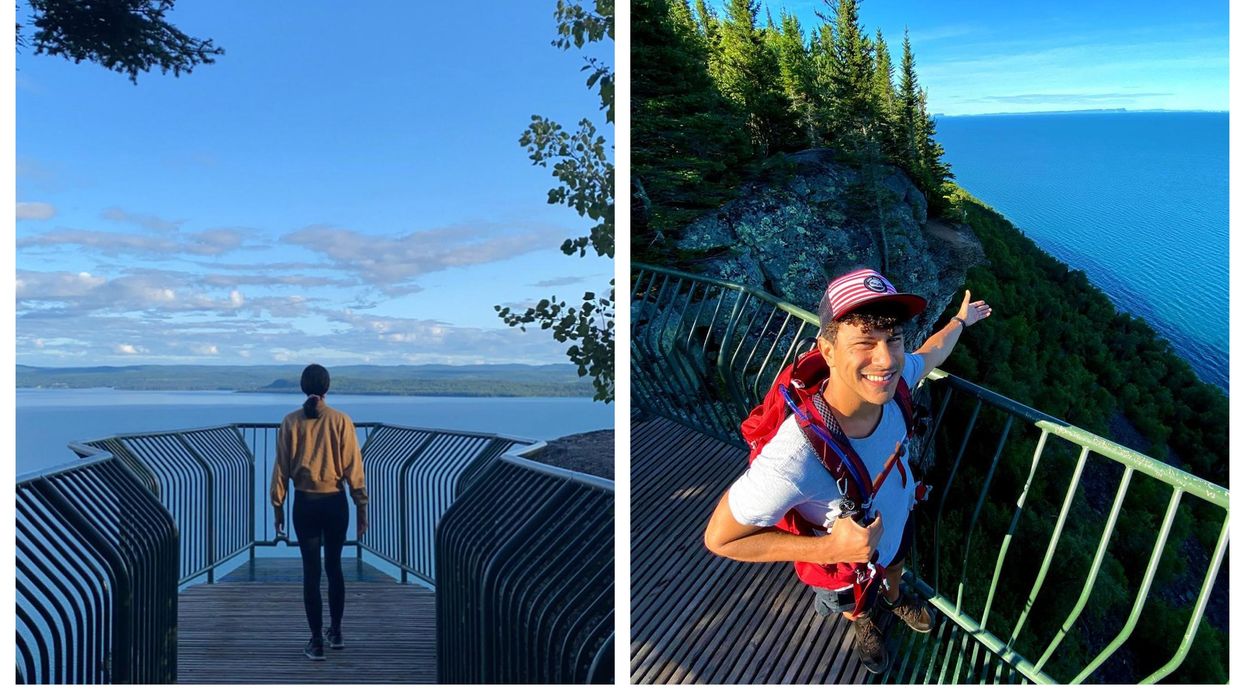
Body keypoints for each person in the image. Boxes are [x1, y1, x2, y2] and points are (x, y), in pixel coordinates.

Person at [702, 268, 992, 674]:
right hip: (847, 560)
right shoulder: (795, 455)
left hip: (896, 518)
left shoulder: (898, 385)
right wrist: (829, 550)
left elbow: (933, 351)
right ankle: (864, 625)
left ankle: (893, 596)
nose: (887, 358)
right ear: (828, 349)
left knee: (894, 564)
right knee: (855, 600)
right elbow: (721, 538)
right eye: (865, 343)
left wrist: (961, 320)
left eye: (894, 339)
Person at [270, 364, 369, 660]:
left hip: (305, 504)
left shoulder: (290, 422)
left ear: (303, 387)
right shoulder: (341, 420)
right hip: (336, 503)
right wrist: (361, 507)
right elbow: (354, 468)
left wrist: (278, 508)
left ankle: (316, 641)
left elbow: (280, 470)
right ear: (327, 388)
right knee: (334, 567)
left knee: (311, 573)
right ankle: (336, 631)